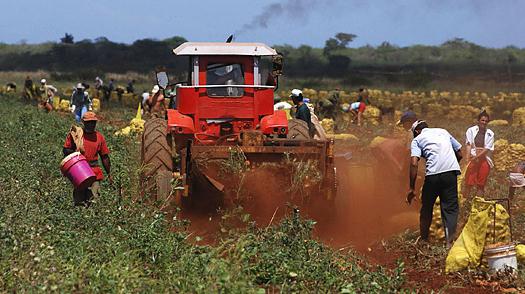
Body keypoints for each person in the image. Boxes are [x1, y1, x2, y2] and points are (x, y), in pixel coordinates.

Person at [407, 120, 463, 247]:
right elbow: (459, 152)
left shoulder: (417, 139)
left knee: (427, 207)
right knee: (450, 209)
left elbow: (414, 163)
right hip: (450, 173)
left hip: (433, 175)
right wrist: (451, 165)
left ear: (416, 131)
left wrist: (411, 188)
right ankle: (449, 242)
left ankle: (424, 239)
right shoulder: (443, 131)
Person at [63, 112, 112, 207]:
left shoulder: (99, 137)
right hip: (78, 171)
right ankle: (80, 217)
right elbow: (65, 150)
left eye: (93, 122)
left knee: (94, 199)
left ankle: (92, 217)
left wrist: (109, 174)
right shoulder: (76, 135)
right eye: (88, 123)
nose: (91, 125)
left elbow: (104, 157)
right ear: (83, 123)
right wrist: (76, 150)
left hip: (94, 173)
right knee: (79, 200)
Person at [464, 110, 494, 198]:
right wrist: (467, 158)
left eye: (486, 121)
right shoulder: (471, 130)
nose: (484, 122)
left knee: (481, 184)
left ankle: (478, 204)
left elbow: (487, 148)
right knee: (469, 183)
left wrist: (477, 156)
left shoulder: (490, 133)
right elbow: (468, 144)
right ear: (478, 121)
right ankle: (465, 202)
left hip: (484, 159)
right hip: (473, 158)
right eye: (482, 120)